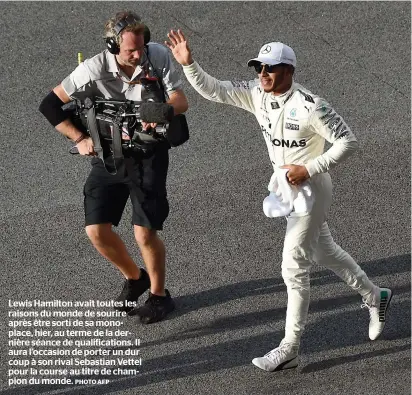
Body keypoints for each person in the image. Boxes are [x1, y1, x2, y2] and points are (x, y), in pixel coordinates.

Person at [165, 30, 393, 371]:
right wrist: (189, 64)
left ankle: (290, 348)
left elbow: (348, 142)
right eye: (259, 67)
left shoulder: (312, 106)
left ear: (289, 70)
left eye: (270, 68)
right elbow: (215, 91)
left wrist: (309, 167)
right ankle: (376, 295)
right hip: (285, 190)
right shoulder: (256, 93)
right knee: (323, 252)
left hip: (313, 189)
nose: (262, 74)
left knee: (293, 265)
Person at [39, 11, 188, 324]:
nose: (138, 54)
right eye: (130, 50)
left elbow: (180, 100)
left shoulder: (156, 55)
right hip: (108, 155)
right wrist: (79, 137)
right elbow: (49, 105)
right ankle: (136, 278)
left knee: (144, 234)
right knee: (96, 231)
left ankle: (160, 296)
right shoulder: (92, 68)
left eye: (141, 46)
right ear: (111, 46)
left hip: (149, 154)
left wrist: (162, 110)